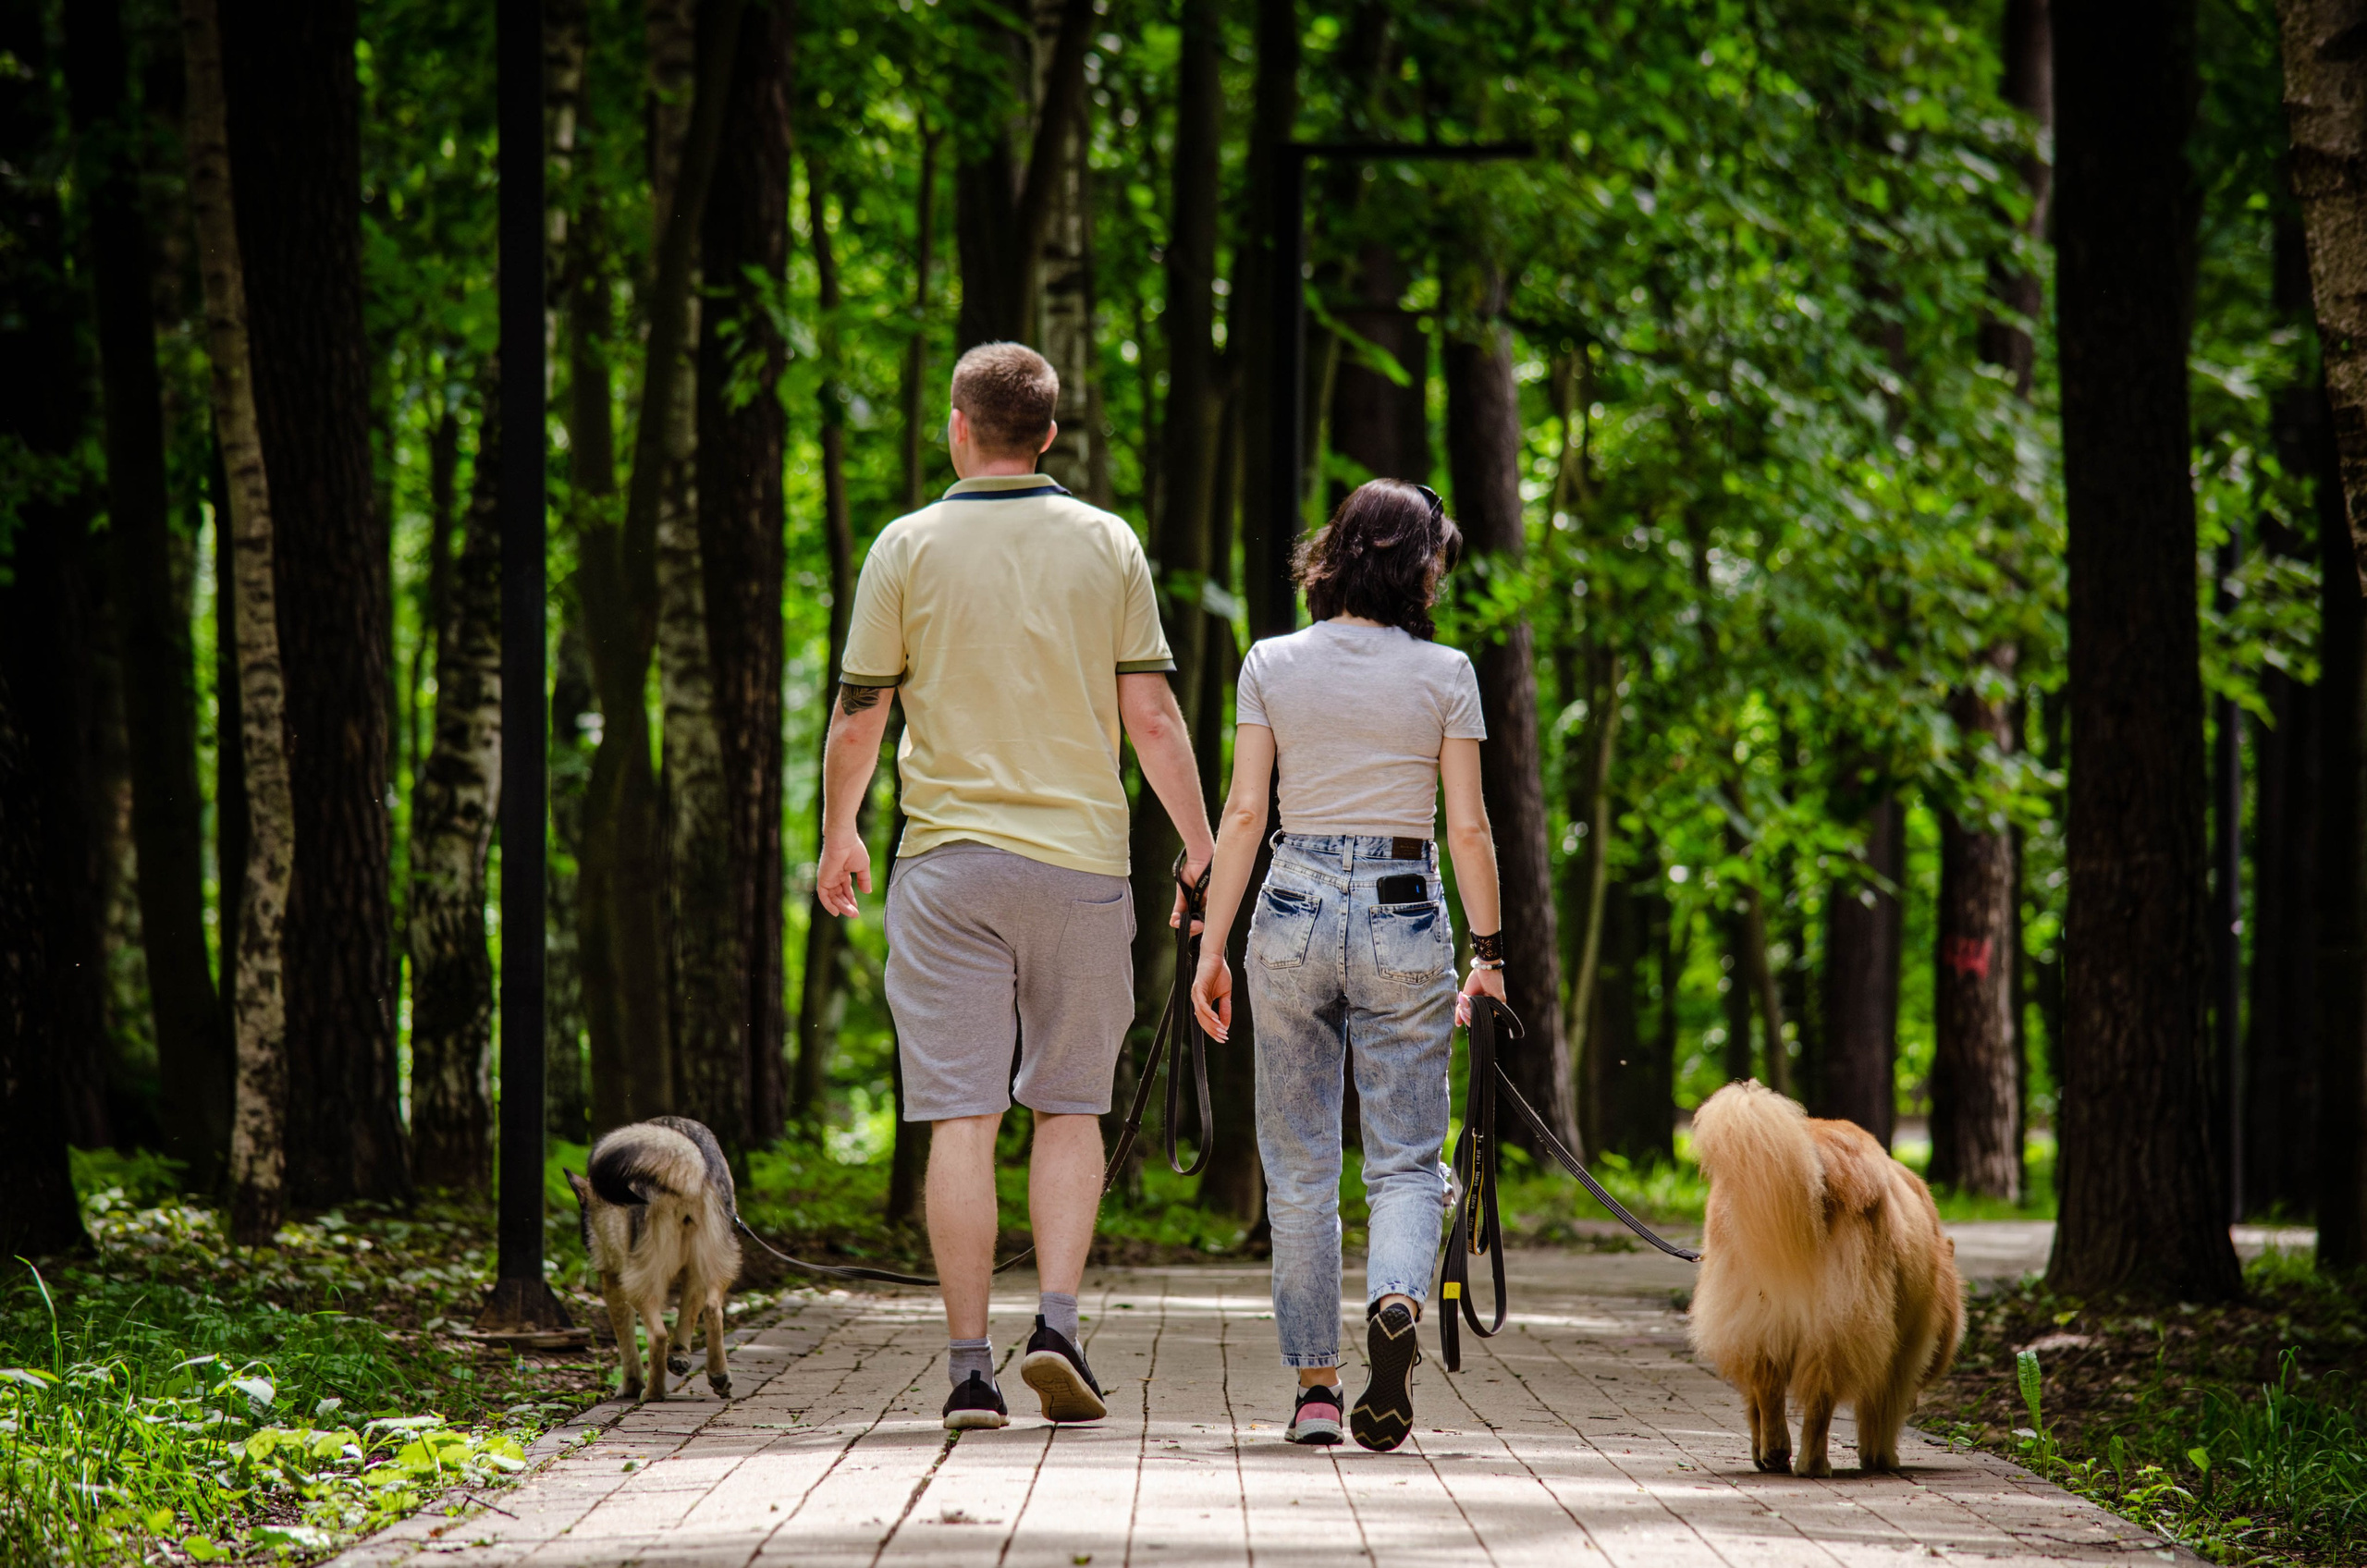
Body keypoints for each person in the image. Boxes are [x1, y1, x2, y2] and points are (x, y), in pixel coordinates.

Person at [816, 342, 1214, 1434]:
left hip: (946, 866)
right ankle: (1055, 1326)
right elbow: (1152, 717)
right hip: (1080, 865)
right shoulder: (1106, 543)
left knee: (959, 1113)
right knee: (1069, 1105)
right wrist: (1200, 846)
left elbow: (861, 712)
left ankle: (965, 1371)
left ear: (958, 426)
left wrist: (838, 831)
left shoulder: (906, 545)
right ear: (1046, 434)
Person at [1188, 479, 1507, 1452]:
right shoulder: (1446, 672)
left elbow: (1243, 814)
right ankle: (1398, 1298)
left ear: (1333, 552)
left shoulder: (1270, 662)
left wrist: (1211, 945)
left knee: (1298, 1165)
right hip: (1405, 909)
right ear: (1418, 567)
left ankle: (1318, 1394)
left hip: (1290, 898)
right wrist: (1488, 955)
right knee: (1408, 1160)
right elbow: (1466, 824)